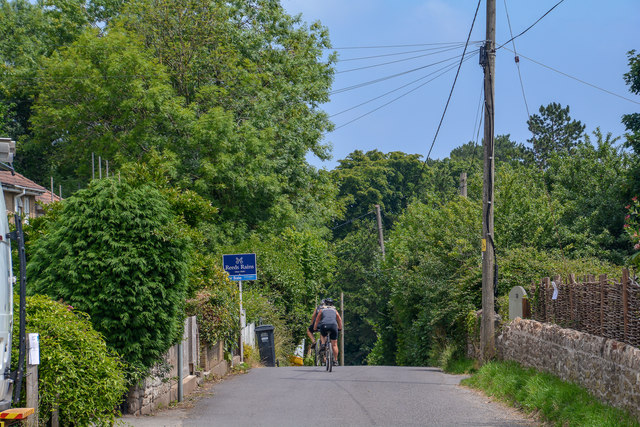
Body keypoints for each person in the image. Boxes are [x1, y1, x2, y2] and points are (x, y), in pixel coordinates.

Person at [313, 298, 342, 365]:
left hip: (324, 325)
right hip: (334, 326)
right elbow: (339, 320)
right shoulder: (335, 310)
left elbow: (317, 320)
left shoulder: (322, 310)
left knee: (323, 334)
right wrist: (340, 328)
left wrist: (315, 328)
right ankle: (335, 360)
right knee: (334, 344)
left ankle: (323, 344)